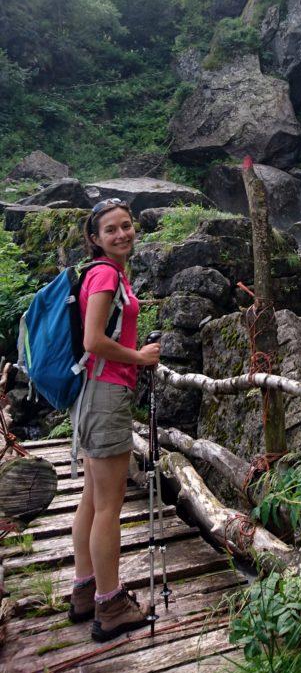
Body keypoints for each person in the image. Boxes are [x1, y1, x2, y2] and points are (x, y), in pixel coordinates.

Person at [69, 198, 160, 642]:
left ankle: (85, 590)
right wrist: (139, 358)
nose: (122, 234)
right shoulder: (105, 274)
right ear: (95, 238)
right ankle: (110, 604)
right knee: (109, 506)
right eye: (111, 230)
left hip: (94, 391)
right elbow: (93, 340)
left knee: (91, 496)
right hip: (106, 392)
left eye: (127, 226)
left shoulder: (105, 273)